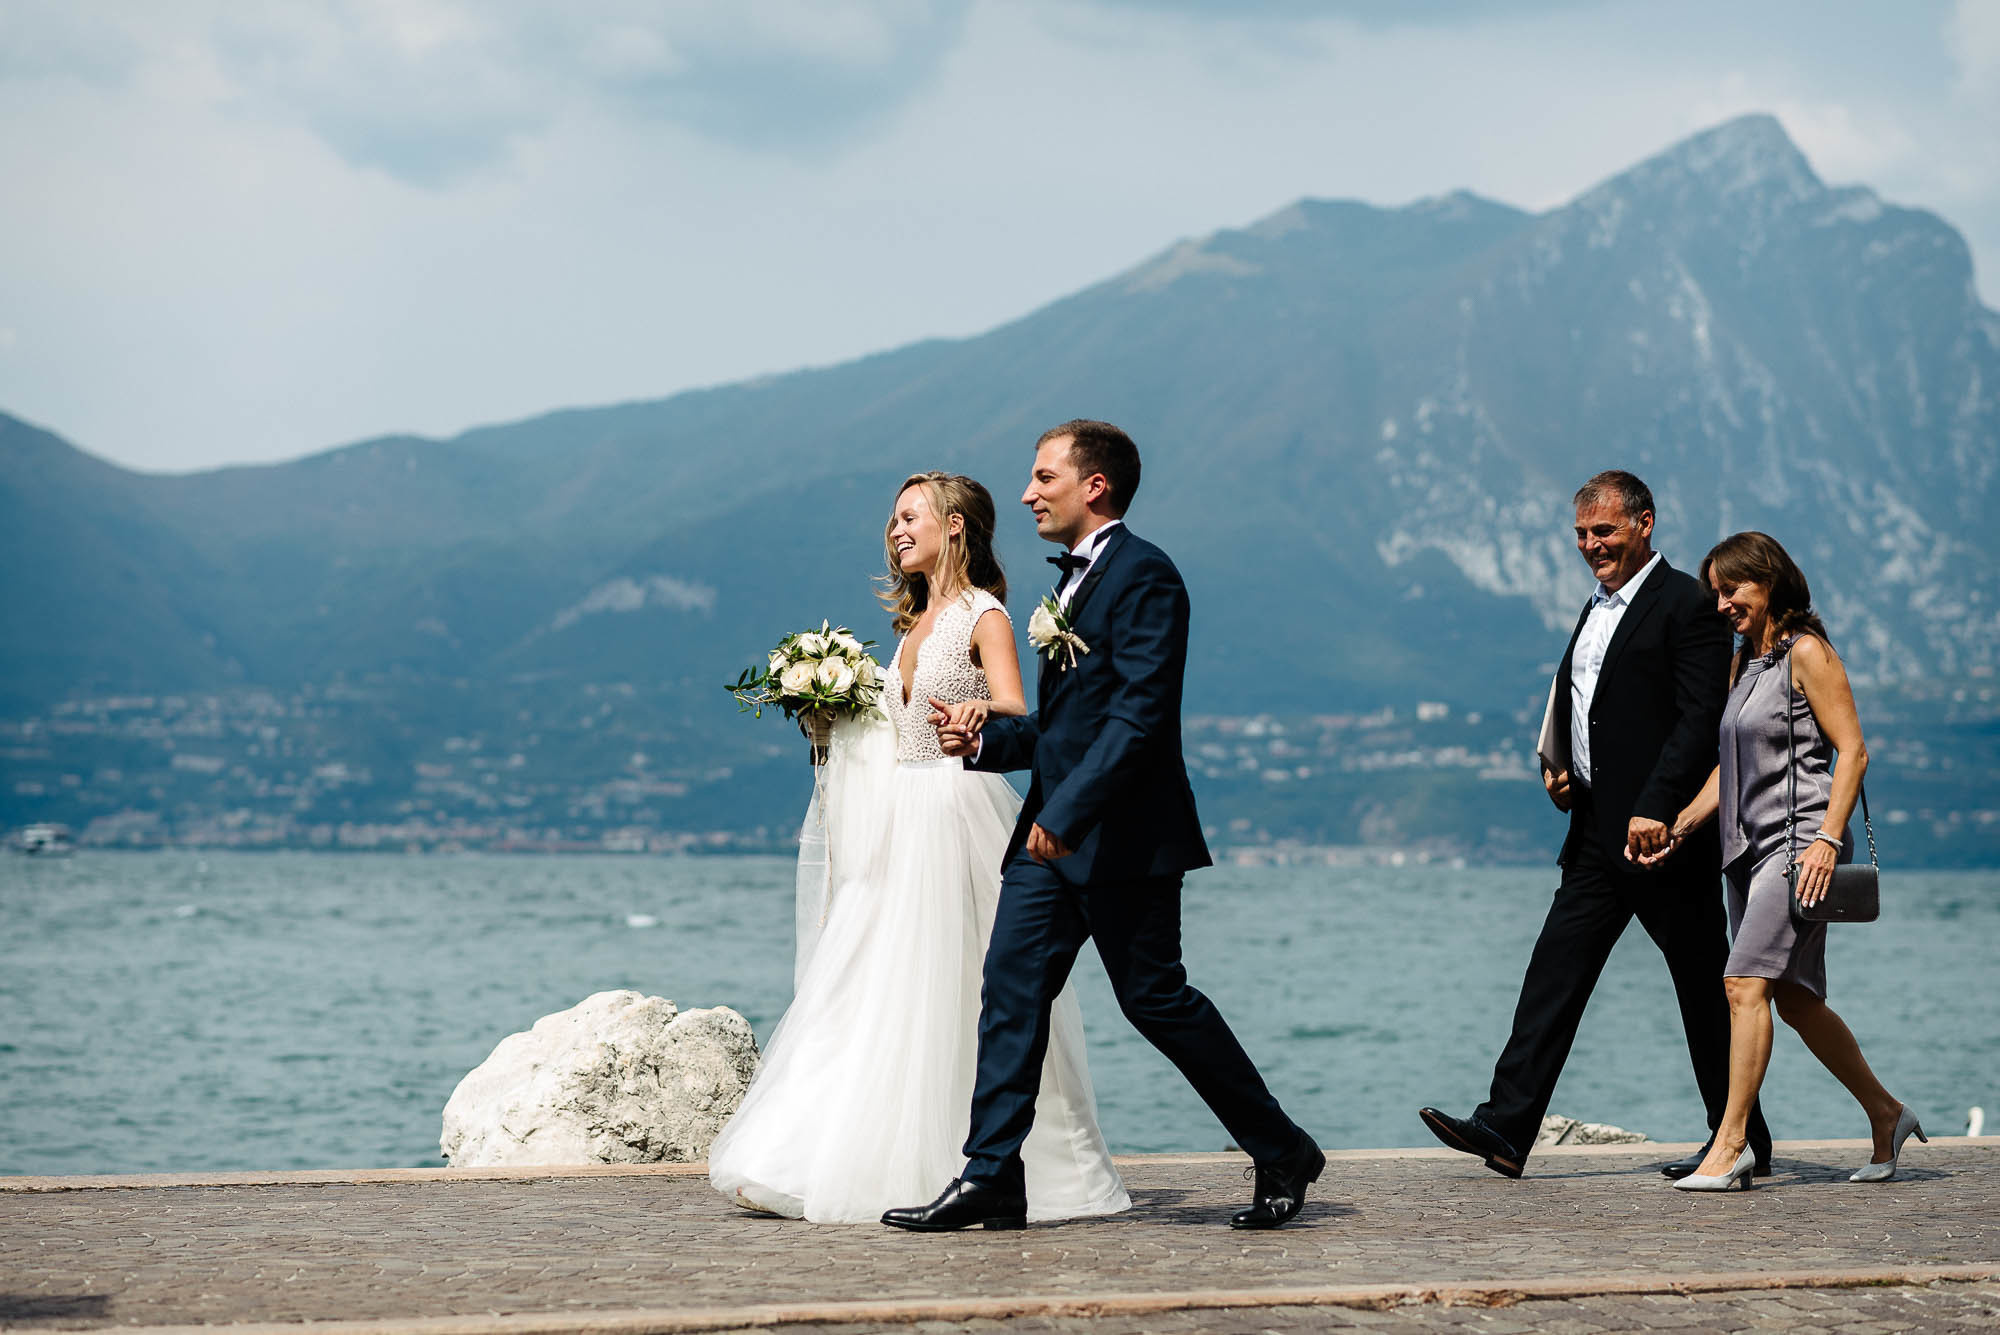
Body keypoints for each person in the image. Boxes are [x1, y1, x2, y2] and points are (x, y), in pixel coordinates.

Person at [880, 420, 1322, 1234]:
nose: (1026, 493)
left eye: (1043, 477)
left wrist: (1068, 811)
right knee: (1010, 993)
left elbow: (1138, 719)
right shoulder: (1068, 587)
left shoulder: (1148, 577)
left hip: (1122, 839)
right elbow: (1066, 727)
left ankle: (1283, 1145)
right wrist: (983, 738)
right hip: (1048, 846)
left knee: (1155, 1000)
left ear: (1096, 487)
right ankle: (991, 1178)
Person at [706, 470, 1129, 1224]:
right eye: (892, 520)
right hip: (895, 822)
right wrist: (824, 715)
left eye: (910, 517)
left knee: (952, 990)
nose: (896, 530)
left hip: (953, 814)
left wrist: (976, 710)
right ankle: (822, 1152)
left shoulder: (983, 614)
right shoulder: (912, 624)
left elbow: (1014, 710)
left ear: (955, 525)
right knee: (868, 988)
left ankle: (970, 1162)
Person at [1418, 470, 1772, 1179]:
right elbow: (1600, 713)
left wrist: (1657, 804)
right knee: (1554, 970)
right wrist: (1565, 773)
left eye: (1604, 531)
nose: (1590, 545)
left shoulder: (1687, 603)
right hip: (1592, 833)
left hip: (1663, 837)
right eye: (1581, 533)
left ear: (1645, 523)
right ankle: (1507, 1126)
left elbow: (1699, 718)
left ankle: (1740, 1138)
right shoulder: (1595, 607)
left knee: (1703, 989)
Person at [1643, 531, 1921, 1190]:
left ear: (1768, 583)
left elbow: (1851, 751)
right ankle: (1888, 1113)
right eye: (1715, 591)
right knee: (1793, 998)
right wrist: (1679, 825)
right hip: (1747, 850)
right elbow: (1730, 767)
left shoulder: (1809, 653)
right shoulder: (1748, 664)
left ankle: (1733, 1142)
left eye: (1731, 589)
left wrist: (1828, 838)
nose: (1720, 603)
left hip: (1800, 844)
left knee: (1743, 984)